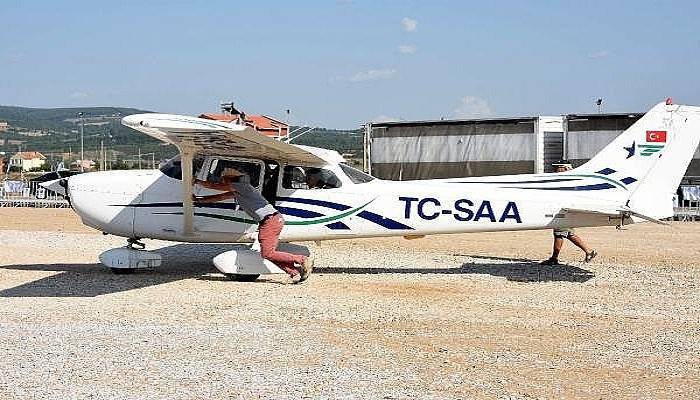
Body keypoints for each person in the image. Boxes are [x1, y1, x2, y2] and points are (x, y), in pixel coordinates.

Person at [194, 167, 314, 283]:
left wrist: (197, 182)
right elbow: (219, 197)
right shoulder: (239, 190)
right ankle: (294, 273)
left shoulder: (242, 186)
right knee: (267, 253)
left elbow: (216, 187)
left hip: (270, 221)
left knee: (268, 253)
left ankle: (302, 260)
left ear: (231, 179)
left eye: (224, 179)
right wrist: (199, 200)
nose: (222, 181)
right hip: (271, 220)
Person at [541, 160, 598, 266]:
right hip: (564, 210)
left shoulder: (567, 180)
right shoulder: (570, 179)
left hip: (564, 211)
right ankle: (555, 257)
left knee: (563, 233)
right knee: (562, 234)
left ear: (564, 168)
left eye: (558, 167)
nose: (555, 170)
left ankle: (588, 251)